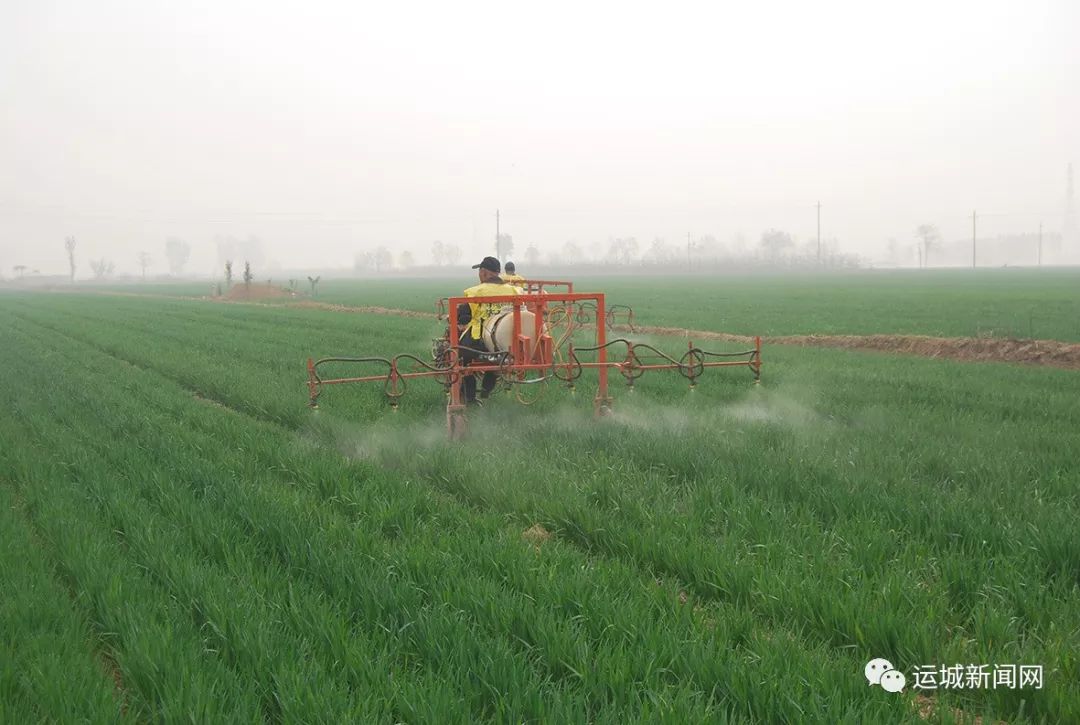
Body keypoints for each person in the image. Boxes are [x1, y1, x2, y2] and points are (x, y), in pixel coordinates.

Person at [456, 256, 520, 405]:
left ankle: (470, 397)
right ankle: (487, 387)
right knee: (496, 355)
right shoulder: (513, 290)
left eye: (480, 271)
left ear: (484, 273)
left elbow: (464, 317)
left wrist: (459, 320)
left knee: (461, 359)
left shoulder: (475, 292)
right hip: (507, 341)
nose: (479, 274)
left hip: (478, 341)